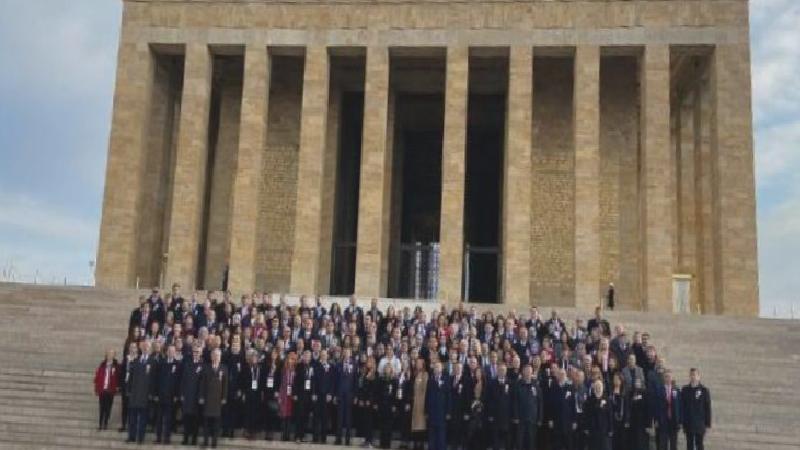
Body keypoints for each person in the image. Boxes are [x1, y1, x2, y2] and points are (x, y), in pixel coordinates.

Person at [126, 340, 155, 444]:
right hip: (134, 394)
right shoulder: (136, 360)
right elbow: (131, 376)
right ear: (141, 348)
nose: (146, 348)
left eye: (148, 346)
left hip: (145, 395)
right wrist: (129, 389)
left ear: (150, 349)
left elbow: (154, 380)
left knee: (143, 418)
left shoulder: (153, 362)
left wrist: (152, 393)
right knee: (132, 417)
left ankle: (140, 437)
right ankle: (131, 436)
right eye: (144, 346)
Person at [199, 348, 228, 448]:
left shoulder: (224, 368)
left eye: (218, 355)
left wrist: (224, 397)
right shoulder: (206, 368)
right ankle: (206, 442)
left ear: (220, 357)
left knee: (216, 424)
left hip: (218, 400)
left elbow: (225, 384)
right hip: (207, 398)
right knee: (206, 423)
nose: (216, 357)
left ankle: (214, 443)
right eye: (214, 355)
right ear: (211, 356)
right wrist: (201, 396)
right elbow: (202, 383)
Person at [513, 364, 543, 450]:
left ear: (532, 372)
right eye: (526, 371)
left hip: (532, 419)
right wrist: (515, 416)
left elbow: (540, 403)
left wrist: (540, 418)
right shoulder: (518, 385)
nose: (528, 373)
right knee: (520, 441)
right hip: (521, 418)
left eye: (530, 371)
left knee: (531, 442)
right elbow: (515, 402)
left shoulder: (536, 386)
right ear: (523, 372)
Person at [155, 344, 180, 444]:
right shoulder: (161, 363)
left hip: (171, 396)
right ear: (166, 352)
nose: (171, 352)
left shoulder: (178, 364)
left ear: (175, 352)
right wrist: (156, 394)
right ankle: (158, 438)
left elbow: (178, 381)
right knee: (159, 418)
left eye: (173, 351)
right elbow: (156, 379)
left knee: (169, 418)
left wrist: (176, 395)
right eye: (169, 351)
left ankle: (167, 438)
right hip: (161, 395)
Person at [681, 368, 711, 450]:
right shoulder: (685, 390)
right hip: (688, 422)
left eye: (694, 375)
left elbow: (707, 407)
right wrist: (682, 421)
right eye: (691, 375)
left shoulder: (704, 390)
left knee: (699, 444)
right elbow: (682, 407)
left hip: (700, 423)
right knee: (689, 444)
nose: (693, 377)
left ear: (699, 376)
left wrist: (707, 424)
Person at [650, 370, 681, 450]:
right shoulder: (659, 390)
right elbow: (656, 406)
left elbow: (680, 406)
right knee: (663, 444)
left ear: (672, 378)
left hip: (674, 420)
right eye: (666, 376)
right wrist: (656, 419)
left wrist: (680, 420)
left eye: (669, 376)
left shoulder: (676, 390)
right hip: (663, 420)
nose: (668, 378)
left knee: (673, 444)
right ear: (664, 378)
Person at [181, 345, 203, 446]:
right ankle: (185, 439)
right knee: (186, 418)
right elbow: (183, 380)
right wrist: (182, 394)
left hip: (197, 397)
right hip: (187, 396)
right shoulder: (187, 364)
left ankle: (194, 439)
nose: (196, 353)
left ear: (201, 353)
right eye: (194, 351)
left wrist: (201, 396)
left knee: (195, 420)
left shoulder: (203, 365)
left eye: (198, 352)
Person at [425, 360, 450, 450]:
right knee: (432, 434)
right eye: (435, 367)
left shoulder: (446, 379)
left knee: (441, 435)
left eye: (438, 367)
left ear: (442, 368)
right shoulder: (430, 380)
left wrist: (448, 411)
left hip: (442, 412)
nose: (436, 368)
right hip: (432, 412)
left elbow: (448, 396)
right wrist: (426, 411)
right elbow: (427, 396)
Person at [487, 363, 513, 450]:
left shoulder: (510, 383)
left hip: (507, 416)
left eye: (504, 370)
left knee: (508, 441)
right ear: (497, 371)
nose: (502, 371)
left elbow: (513, 400)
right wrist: (490, 414)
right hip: (495, 416)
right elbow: (488, 400)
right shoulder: (491, 383)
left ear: (506, 371)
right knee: (496, 441)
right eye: (500, 370)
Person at [335, 347, 357, 445]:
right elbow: (335, 381)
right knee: (339, 417)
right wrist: (335, 394)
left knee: (348, 418)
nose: (346, 354)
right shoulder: (339, 364)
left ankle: (348, 439)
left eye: (348, 352)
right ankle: (338, 438)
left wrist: (355, 395)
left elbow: (355, 381)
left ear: (350, 353)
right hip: (340, 394)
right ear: (343, 353)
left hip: (349, 394)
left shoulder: (354, 364)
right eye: (345, 352)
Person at [313, 349, 335, 444]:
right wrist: (313, 393)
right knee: (316, 417)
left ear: (327, 356)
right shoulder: (316, 366)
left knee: (325, 418)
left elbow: (332, 382)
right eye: (322, 355)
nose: (323, 356)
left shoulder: (331, 367)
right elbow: (313, 381)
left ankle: (323, 438)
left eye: (325, 355)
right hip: (318, 395)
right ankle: (315, 437)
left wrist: (330, 393)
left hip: (327, 396)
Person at [584, 379, 614, 450]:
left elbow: (610, 414)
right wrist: (586, 427)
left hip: (604, 429)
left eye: (599, 386)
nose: (598, 388)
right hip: (593, 429)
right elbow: (586, 414)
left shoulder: (607, 399)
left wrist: (611, 428)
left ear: (602, 387)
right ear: (594, 387)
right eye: (596, 386)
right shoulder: (590, 399)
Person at [93, 349, 119, 431]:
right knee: (102, 407)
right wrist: (97, 388)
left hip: (110, 390)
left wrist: (117, 387)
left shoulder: (116, 365)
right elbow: (98, 376)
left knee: (108, 407)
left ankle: (105, 423)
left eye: (112, 354)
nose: (110, 356)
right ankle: (100, 424)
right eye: (108, 354)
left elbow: (118, 377)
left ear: (114, 356)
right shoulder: (102, 365)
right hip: (103, 389)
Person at [241, 349, 264, 439]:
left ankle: (253, 431)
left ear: (257, 359)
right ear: (250, 358)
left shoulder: (260, 368)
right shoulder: (246, 368)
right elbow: (242, 380)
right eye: (252, 357)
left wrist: (262, 392)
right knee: (248, 412)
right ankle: (246, 430)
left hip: (257, 393)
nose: (254, 359)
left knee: (255, 412)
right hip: (248, 392)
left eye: (255, 357)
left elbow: (262, 381)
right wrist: (243, 392)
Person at [411, 357, 429, 450]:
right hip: (415, 404)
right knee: (415, 425)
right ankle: (415, 444)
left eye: (419, 363)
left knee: (421, 425)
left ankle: (420, 445)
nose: (417, 364)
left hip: (421, 404)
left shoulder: (425, 375)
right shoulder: (414, 374)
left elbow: (425, 390)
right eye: (416, 363)